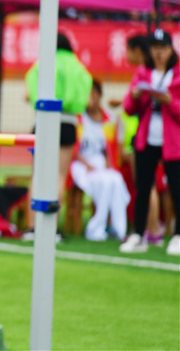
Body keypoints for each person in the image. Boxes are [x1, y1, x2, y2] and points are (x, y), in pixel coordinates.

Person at [23, 32, 92, 241]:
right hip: (68, 121)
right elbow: (87, 99)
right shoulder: (78, 67)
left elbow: (28, 94)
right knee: (59, 176)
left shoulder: (41, 63)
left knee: (38, 174)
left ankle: (30, 227)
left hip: (44, 120)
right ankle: (50, 229)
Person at [120, 29, 180, 255]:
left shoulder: (177, 74)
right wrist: (135, 96)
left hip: (173, 141)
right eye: (154, 49)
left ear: (170, 50)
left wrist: (169, 101)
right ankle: (138, 234)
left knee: (176, 188)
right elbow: (128, 108)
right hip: (146, 138)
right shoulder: (143, 73)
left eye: (162, 49)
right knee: (143, 187)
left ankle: (177, 236)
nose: (158, 53)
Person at [109, 34, 163, 243]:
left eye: (128, 50)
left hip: (139, 136)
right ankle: (151, 230)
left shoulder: (145, 74)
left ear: (138, 51)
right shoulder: (147, 74)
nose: (126, 54)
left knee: (145, 184)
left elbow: (137, 105)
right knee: (146, 184)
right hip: (142, 134)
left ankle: (152, 231)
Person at [70, 80, 130, 241]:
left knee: (116, 180)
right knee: (104, 182)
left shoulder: (109, 119)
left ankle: (120, 229)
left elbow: (112, 148)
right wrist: (87, 164)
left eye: (93, 93)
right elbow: (71, 150)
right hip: (81, 165)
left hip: (101, 165)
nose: (90, 98)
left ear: (99, 95)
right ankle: (95, 229)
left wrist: (109, 162)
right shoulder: (76, 119)